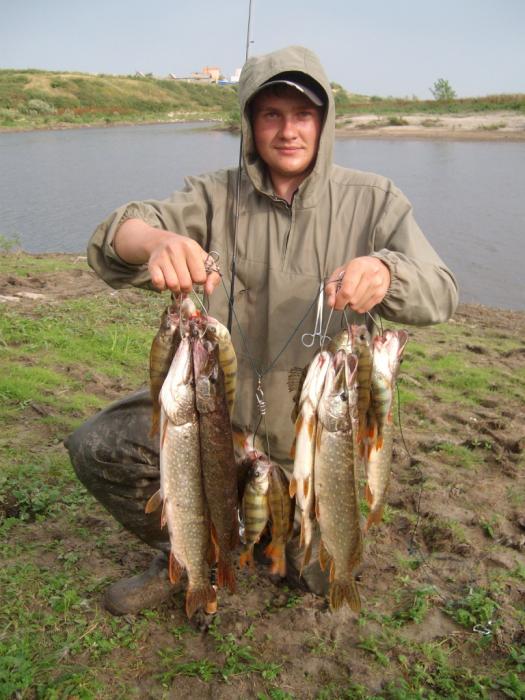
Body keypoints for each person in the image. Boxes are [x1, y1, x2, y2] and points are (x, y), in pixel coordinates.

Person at [66, 45, 458, 616]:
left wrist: (386, 272)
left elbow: (441, 290)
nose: (288, 130)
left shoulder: (375, 199)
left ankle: (272, 537)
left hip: (320, 438)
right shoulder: (210, 195)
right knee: (97, 445)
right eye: (271, 114)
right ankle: (184, 552)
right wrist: (155, 243)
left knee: (319, 576)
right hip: (217, 425)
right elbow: (113, 239)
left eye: (303, 115)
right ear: (250, 124)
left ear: (325, 121)